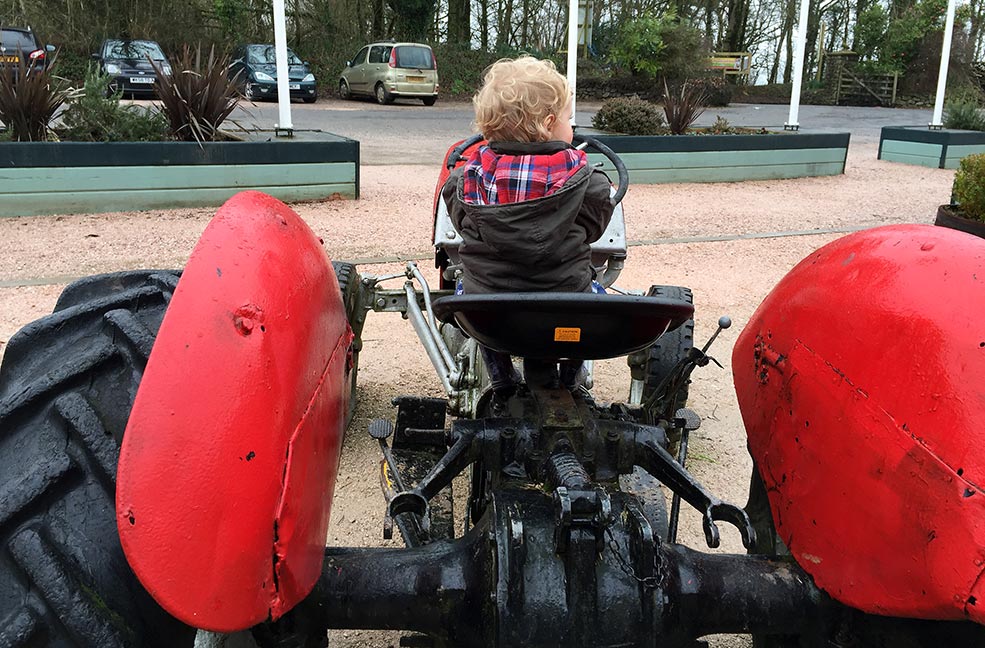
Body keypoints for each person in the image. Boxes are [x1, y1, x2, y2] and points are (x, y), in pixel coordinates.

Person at [439, 55, 616, 406]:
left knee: (471, 294)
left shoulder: (466, 178)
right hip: (567, 303)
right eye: (569, 119)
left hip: (488, 310)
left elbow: (462, 222)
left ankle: (502, 378)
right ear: (551, 122)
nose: (571, 126)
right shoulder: (587, 179)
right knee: (592, 300)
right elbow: (594, 229)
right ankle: (569, 378)